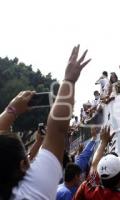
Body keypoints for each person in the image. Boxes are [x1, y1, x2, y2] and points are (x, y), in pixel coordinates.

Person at [0, 45, 91, 200]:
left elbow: (57, 130)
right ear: (23, 165)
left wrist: (10, 111)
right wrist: (69, 79)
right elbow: (57, 130)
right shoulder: (34, 191)